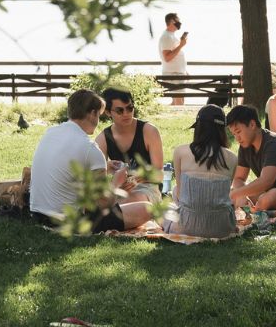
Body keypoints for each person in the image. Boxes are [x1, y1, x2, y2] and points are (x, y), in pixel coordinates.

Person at [30, 89, 151, 233]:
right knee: (147, 208)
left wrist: (104, 167)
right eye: (99, 115)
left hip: (37, 215)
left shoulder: (51, 133)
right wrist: (116, 184)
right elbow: (101, 205)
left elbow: (67, 167)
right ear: (93, 113)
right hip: (69, 223)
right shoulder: (90, 149)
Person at [163, 105, 238, 238]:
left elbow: (180, 195)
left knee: (163, 207)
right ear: (222, 130)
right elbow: (224, 194)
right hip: (222, 227)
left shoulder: (180, 152)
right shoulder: (232, 158)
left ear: (198, 128)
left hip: (187, 227)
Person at [95, 88, 163, 204]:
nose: (126, 114)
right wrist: (107, 169)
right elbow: (95, 180)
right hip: (118, 189)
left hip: (146, 189)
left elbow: (160, 174)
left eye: (130, 108)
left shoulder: (149, 131)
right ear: (107, 112)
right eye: (119, 111)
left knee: (128, 203)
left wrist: (144, 177)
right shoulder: (103, 138)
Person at [158, 12, 188, 106]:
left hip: (177, 74)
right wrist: (181, 45)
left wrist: (184, 70)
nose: (180, 23)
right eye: (177, 21)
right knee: (179, 103)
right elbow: (167, 57)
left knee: (177, 102)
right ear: (171, 21)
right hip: (173, 75)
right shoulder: (166, 37)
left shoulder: (170, 35)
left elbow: (175, 55)